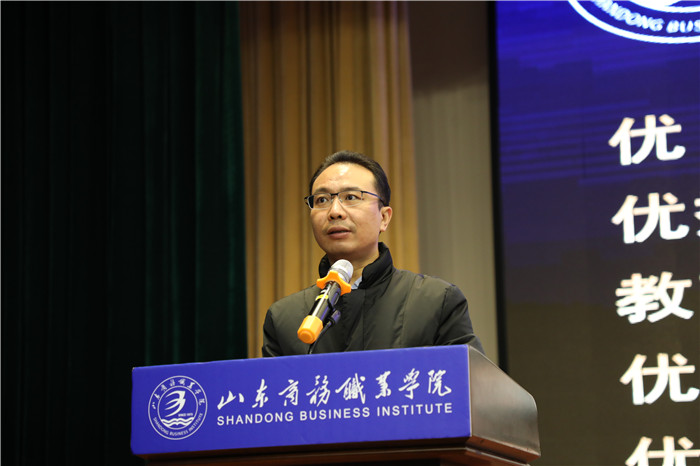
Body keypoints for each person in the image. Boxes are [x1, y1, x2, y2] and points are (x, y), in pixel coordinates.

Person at [262, 150, 483, 356]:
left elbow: (472, 380)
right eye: (322, 200)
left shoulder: (436, 302)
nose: (335, 211)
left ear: (384, 217)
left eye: (351, 197)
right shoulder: (285, 318)